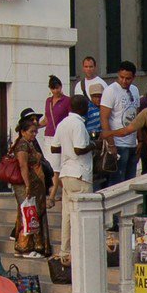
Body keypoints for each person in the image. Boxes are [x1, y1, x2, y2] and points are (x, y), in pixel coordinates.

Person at [48, 95, 93, 260]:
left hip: (66, 173)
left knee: (66, 215)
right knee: (84, 213)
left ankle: (65, 251)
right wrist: (93, 145)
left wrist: (65, 148)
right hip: (80, 173)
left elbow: (54, 148)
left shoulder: (63, 123)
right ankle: (83, 249)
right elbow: (79, 149)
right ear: (84, 108)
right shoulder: (78, 124)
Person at [9, 111, 51, 258]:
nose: (34, 134)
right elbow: (23, 166)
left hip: (36, 185)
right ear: (23, 132)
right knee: (29, 214)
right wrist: (28, 185)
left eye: (35, 132)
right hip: (28, 185)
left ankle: (30, 245)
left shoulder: (29, 144)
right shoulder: (22, 145)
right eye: (32, 132)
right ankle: (26, 246)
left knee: (31, 214)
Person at [99, 61, 142, 187]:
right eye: (121, 77)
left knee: (131, 181)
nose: (124, 81)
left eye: (128, 78)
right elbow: (104, 118)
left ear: (133, 77)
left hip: (132, 142)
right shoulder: (110, 91)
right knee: (117, 182)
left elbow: (137, 116)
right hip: (118, 143)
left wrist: (140, 140)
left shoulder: (135, 90)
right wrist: (111, 144)